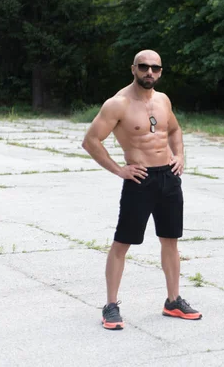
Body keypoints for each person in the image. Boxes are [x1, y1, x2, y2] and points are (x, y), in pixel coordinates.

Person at [82, 49, 202, 330]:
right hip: (139, 179)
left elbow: (174, 130)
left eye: (156, 68)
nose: (150, 72)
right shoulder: (118, 104)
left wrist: (179, 156)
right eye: (145, 67)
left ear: (161, 72)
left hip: (168, 178)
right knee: (122, 242)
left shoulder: (163, 100)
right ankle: (111, 306)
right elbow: (91, 141)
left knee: (170, 240)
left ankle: (173, 301)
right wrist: (119, 169)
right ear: (133, 68)